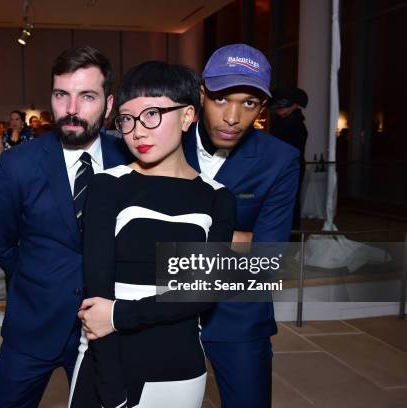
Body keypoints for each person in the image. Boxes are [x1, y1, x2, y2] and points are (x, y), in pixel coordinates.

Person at [78, 44, 300, 408]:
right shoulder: (153, 132)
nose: (232, 116)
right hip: (143, 325)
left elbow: (270, 257)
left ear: (262, 109)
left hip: (237, 317)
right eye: (221, 98)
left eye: (249, 103)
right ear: (197, 99)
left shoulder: (280, 160)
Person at [69, 61, 236, 408]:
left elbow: (205, 294)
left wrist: (118, 315)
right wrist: (112, 391)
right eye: (127, 119)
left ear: (188, 116)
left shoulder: (218, 197)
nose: (137, 132)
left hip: (181, 367)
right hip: (109, 364)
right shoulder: (108, 186)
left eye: (152, 115)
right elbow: (97, 295)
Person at [0, 46, 132, 408]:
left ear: (108, 105)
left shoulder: (129, 160)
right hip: (33, 322)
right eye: (62, 95)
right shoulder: (18, 165)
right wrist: (38, 277)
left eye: (87, 96)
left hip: (106, 327)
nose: (72, 109)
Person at [270, 87, 309, 229]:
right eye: (277, 108)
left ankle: (291, 240)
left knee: (290, 203)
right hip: (284, 168)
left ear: (294, 106)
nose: (279, 111)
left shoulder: (295, 124)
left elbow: (287, 151)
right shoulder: (284, 122)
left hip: (290, 169)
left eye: (281, 108)